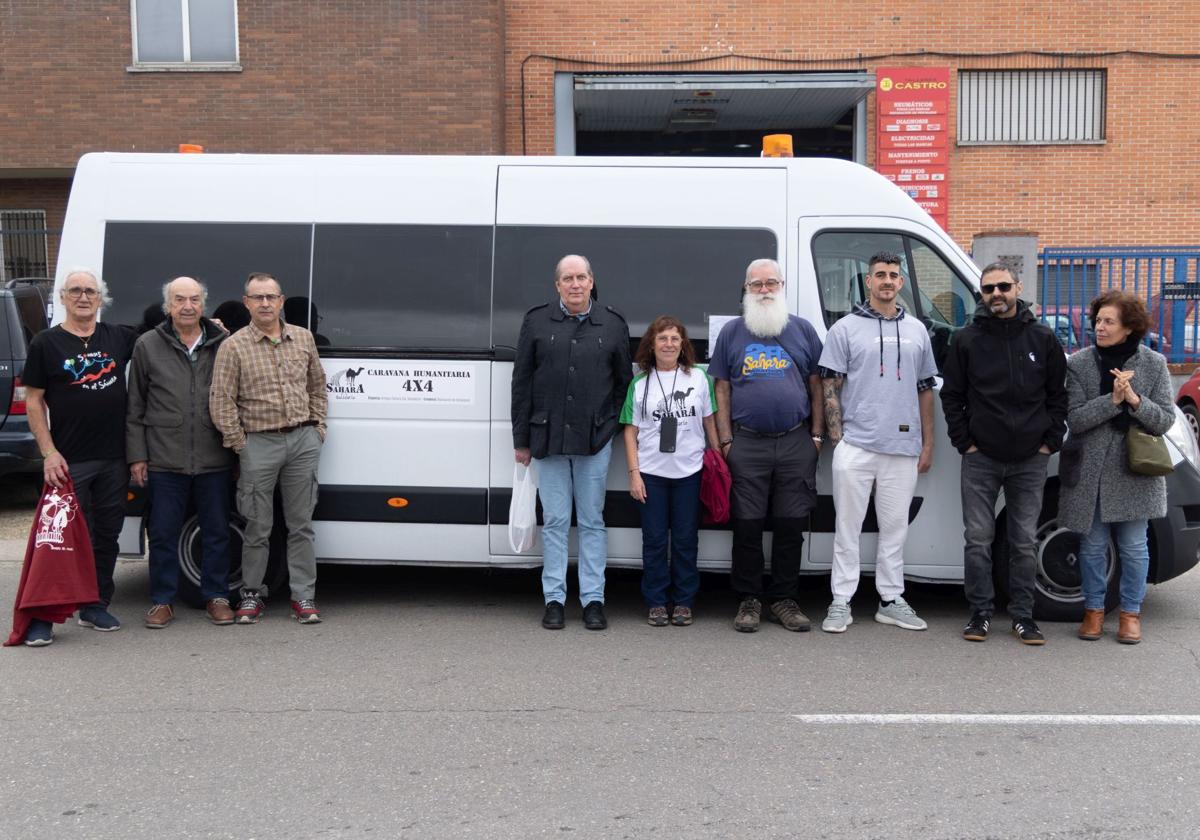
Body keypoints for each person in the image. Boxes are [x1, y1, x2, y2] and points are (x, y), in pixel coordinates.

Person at [940, 263, 1067, 645]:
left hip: (1030, 458)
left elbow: (1058, 396)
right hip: (981, 457)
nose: (996, 294)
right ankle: (979, 614)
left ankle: (1023, 617)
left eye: (1003, 286)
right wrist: (965, 442)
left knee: (1023, 541)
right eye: (988, 288)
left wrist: (1050, 442)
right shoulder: (966, 340)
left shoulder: (1043, 338)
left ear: (1018, 288)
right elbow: (952, 396)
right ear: (981, 293)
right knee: (978, 538)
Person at [818, 252, 937, 634]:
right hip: (856, 445)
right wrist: (839, 441)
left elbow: (924, 390)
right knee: (847, 528)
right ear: (867, 282)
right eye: (880, 275)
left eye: (893, 276)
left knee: (894, 529)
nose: (887, 281)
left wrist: (928, 443)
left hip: (902, 448)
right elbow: (829, 386)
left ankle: (890, 599)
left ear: (901, 283)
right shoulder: (845, 329)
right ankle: (841, 601)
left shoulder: (918, 330)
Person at [511, 254, 632, 631]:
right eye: (568, 278)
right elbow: (522, 383)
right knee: (557, 522)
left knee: (593, 521)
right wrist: (522, 439)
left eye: (581, 277)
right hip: (546, 438)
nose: (575, 284)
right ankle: (555, 600)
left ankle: (593, 600)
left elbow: (623, 385)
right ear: (557, 285)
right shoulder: (536, 321)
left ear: (592, 281)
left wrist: (608, 426)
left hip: (594, 440)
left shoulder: (612, 324)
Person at [20, 269, 137, 644]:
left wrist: (213, 323)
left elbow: (165, 338)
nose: (83, 297)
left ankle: (94, 604)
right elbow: (34, 400)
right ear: (64, 298)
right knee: (55, 537)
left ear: (100, 299)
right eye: (76, 291)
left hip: (114, 459)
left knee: (105, 536)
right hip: (67, 461)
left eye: (90, 291)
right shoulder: (46, 343)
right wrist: (48, 452)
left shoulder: (118, 337)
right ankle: (43, 616)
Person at [710, 258, 824, 633]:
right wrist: (726, 441)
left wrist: (817, 436)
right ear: (745, 289)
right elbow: (721, 388)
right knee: (747, 526)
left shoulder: (803, 330)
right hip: (747, 443)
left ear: (782, 286)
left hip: (795, 441)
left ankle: (785, 599)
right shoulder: (732, 332)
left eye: (770, 283)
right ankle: (749, 600)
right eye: (756, 284)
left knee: (791, 525)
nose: (763, 290)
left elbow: (816, 385)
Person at [209, 272, 328, 625]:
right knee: (258, 526)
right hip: (258, 443)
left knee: (301, 524)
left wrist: (318, 427)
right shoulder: (233, 346)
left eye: (270, 297)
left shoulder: (303, 339)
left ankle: (303, 596)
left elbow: (318, 386)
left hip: (302, 440)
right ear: (246, 302)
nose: (264, 303)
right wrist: (240, 444)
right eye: (257, 297)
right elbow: (221, 400)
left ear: (281, 301)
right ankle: (251, 594)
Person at [1059, 290, 1175, 645]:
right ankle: (1093, 610)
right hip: (1091, 472)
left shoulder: (1154, 363)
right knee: (1092, 546)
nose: (1100, 327)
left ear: (1129, 328)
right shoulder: (1078, 363)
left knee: (1134, 547)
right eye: (1098, 321)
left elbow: (1166, 420)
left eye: (1109, 321)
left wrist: (1136, 400)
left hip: (1134, 470)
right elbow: (1075, 419)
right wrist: (1112, 400)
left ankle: (1130, 614)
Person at [127, 276, 236, 629]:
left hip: (214, 457)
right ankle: (162, 601)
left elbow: (239, 399)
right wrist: (137, 456)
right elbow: (136, 406)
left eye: (194, 299)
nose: (187, 306)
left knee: (217, 531)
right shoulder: (147, 345)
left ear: (203, 305)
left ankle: (217, 597)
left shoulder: (225, 344)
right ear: (168, 306)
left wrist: (237, 454)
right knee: (162, 532)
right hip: (164, 458)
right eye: (179, 300)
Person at [621, 316, 719, 627]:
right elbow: (629, 431)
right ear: (651, 343)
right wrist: (634, 473)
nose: (668, 344)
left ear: (683, 345)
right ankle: (657, 601)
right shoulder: (640, 382)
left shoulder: (698, 379)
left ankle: (684, 601)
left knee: (686, 540)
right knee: (654, 541)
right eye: (662, 338)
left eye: (675, 339)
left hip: (690, 473)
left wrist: (717, 458)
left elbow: (709, 421)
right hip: (651, 474)